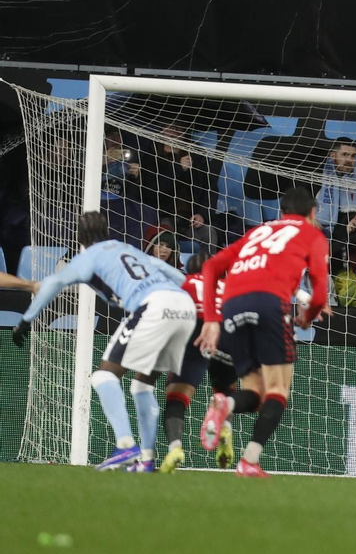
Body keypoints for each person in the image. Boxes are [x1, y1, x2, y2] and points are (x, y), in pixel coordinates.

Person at [12, 210, 194, 472]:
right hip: (183, 306)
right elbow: (167, 269)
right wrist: (195, 292)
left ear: (81, 237)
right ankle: (146, 458)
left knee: (103, 376)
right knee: (142, 385)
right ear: (106, 232)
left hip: (153, 306)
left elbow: (54, 282)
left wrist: (26, 321)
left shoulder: (89, 256)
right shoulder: (125, 249)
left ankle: (124, 444)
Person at [196, 184, 330, 477]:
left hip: (231, 306)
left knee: (256, 393)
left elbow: (210, 268)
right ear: (312, 212)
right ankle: (249, 461)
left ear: (281, 212)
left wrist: (210, 318)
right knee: (279, 389)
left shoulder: (257, 231)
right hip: (269, 304)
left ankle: (225, 402)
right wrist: (307, 318)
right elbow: (320, 295)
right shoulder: (313, 234)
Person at [159, 251, 239, 472]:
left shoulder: (186, 282)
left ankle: (175, 448)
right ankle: (226, 428)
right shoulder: (229, 286)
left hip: (196, 329)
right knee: (224, 392)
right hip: (228, 331)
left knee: (177, 397)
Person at [317, 137, 356, 236]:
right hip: (315, 232)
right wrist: (308, 219)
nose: (349, 160)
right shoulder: (317, 177)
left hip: (344, 235)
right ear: (332, 156)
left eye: (353, 156)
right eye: (345, 155)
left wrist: (355, 223)